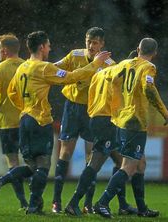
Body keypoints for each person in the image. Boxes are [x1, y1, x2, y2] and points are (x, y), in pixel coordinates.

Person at [0, 31, 111, 214]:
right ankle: (35, 206)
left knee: (31, 167)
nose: (50, 48)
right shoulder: (44, 68)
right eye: (49, 45)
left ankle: (1, 181)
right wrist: (97, 64)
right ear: (42, 47)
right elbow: (72, 77)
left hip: (25, 119)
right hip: (40, 121)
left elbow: (12, 93)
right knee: (43, 166)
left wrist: (25, 108)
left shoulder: (23, 67)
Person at [93, 38, 168, 218]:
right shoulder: (149, 67)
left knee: (140, 164)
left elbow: (107, 76)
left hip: (122, 120)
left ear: (138, 49)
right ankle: (102, 203)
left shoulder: (125, 63)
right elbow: (149, 89)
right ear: (155, 53)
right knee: (129, 166)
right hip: (135, 121)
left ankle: (142, 209)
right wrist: (164, 112)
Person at [64, 50, 140, 216]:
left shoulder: (101, 72)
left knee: (121, 161)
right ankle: (74, 203)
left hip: (96, 118)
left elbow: (90, 96)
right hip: (108, 120)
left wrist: (94, 114)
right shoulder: (123, 75)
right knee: (96, 163)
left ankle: (122, 204)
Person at [52, 27, 115, 214]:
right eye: (88, 41)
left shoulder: (110, 64)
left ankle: (87, 203)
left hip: (92, 111)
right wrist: (64, 76)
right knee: (65, 152)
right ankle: (56, 201)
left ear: (102, 44)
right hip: (71, 107)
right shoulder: (75, 55)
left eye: (95, 42)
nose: (91, 45)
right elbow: (55, 68)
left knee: (91, 155)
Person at [0, 33, 27, 210]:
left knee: (13, 162)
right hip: (27, 120)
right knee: (34, 162)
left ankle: (23, 203)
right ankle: (35, 201)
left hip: (7, 122)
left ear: (4, 50)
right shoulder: (28, 66)